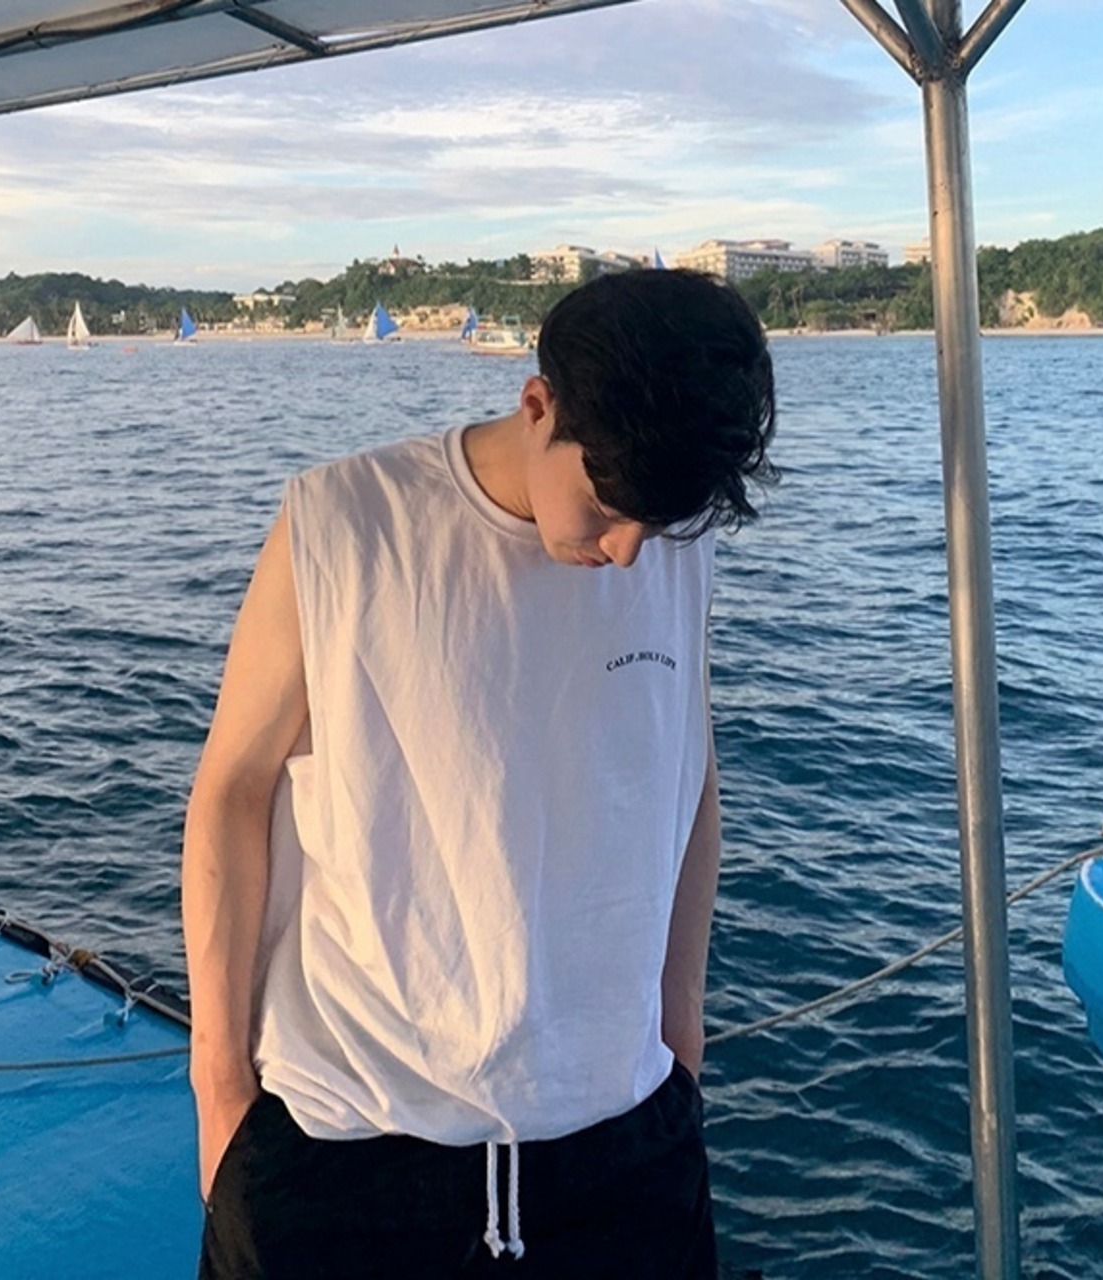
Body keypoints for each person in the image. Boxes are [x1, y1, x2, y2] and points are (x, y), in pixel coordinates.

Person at [182, 268, 777, 1279]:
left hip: (622, 1136)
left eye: (661, 522)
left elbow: (689, 769)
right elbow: (233, 790)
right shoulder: (342, 523)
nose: (628, 552)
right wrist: (219, 1087)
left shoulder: (675, 537)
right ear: (537, 405)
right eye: (607, 507)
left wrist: (681, 1031)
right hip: (348, 1140)